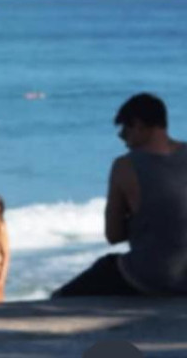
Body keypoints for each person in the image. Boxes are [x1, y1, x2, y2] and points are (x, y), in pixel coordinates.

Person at [53, 92, 187, 297]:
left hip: (152, 276)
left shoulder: (125, 166)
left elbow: (113, 235)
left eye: (126, 128)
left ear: (140, 125)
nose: (121, 135)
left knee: (62, 297)